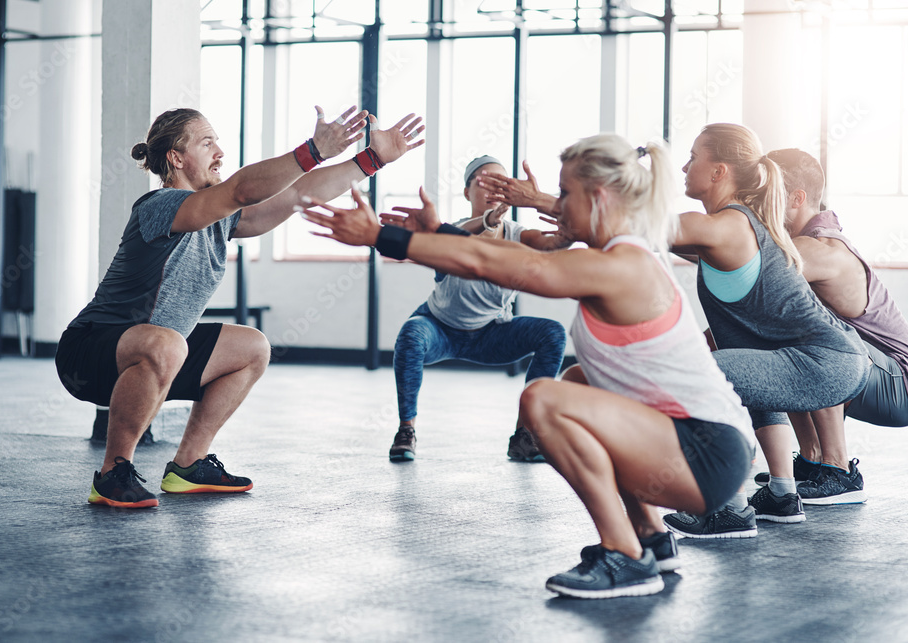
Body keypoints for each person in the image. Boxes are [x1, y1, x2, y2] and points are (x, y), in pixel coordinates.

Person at [299, 135, 755, 599]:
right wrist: (439, 233)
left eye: (563, 194)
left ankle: (625, 555)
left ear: (597, 198)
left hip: (707, 456)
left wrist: (382, 235)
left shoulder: (623, 266)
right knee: (578, 380)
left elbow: (505, 266)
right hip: (705, 447)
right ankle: (653, 538)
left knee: (544, 399)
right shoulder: (619, 257)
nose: (556, 206)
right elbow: (519, 257)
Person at [55, 105, 425, 508]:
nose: (219, 152)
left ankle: (189, 465)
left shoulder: (223, 219)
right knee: (168, 344)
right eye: (207, 142)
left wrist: (370, 161)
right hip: (89, 354)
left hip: (160, 355)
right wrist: (312, 150)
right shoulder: (158, 205)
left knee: (251, 347)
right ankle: (112, 473)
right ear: (176, 159)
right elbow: (240, 190)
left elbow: (299, 194)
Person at [662, 124, 870, 537]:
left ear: (719, 170)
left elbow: (643, 225)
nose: (685, 167)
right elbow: (647, 234)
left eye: (693, 157)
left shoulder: (729, 226)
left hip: (833, 362)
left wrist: (553, 200)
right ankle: (780, 493)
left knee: (708, 372)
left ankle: (728, 508)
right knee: (746, 369)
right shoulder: (726, 229)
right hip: (834, 360)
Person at [377, 155, 569, 462]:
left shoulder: (519, 235)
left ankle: (524, 436)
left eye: (502, 182)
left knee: (552, 333)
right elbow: (459, 234)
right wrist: (486, 222)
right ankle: (406, 430)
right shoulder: (451, 230)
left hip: (492, 335)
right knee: (411, 332)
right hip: (440, 330)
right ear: (467, 192)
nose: (493, 188)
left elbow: (552, 244)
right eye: (484, 180)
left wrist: (560, 220)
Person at [747, 148, 908, 504]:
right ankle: (813, 459)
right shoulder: (803, 243)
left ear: (796, 198)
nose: (756, 205)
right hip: (874, 373)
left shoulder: (820, 249)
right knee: (779, 336)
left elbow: (746, 266)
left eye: (765, 196)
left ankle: (838, 471)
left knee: (810, 337)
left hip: (901, 387)